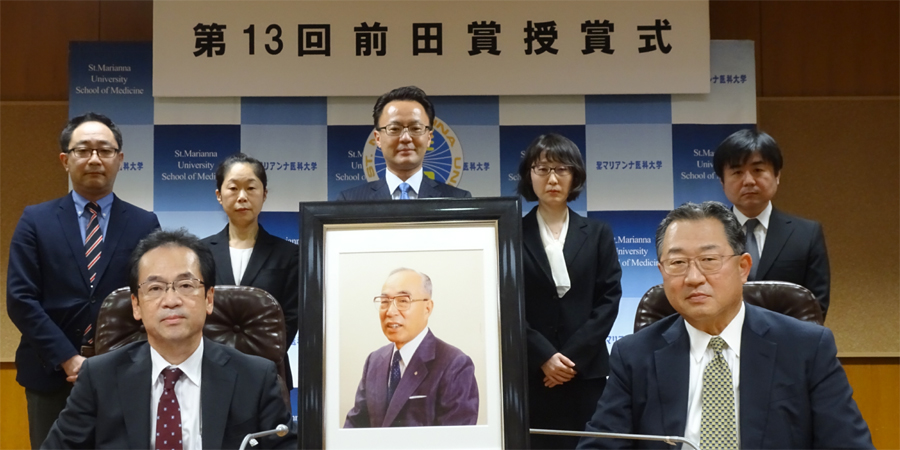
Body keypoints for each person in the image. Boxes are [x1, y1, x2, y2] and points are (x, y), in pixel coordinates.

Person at [577, 201, 872, 450]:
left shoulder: (807, 348)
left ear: (743, 268)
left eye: (709, 259)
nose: (693, 277)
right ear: (662, 272)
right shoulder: (633, 356)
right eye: (677, 263)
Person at [42, 229, 295, 449]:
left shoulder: (256, 378)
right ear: (136, 306)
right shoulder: (99, 378)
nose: (171, 300)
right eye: (155, 288)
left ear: (209, 299)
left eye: (185, 285)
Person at [6, 112, 160, 448]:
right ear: (65, 160)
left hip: (124, 372)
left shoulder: (144, 224)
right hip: (50, 374)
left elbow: (153, 295)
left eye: (104, 150)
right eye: (83, 150)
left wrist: (112, 360)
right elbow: (20, 299)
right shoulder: (35, 220)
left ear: (119, 159)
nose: (94, 159)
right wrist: (67, 357)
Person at [516, 133, 622, 449]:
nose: (552, 179)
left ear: (575, 175)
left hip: (586, 372)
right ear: (529, 175)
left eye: (562, 169)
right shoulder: (510, 233)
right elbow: (506, 303)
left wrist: (570, 359)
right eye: (542, 169)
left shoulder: (598, 233)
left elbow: (608, 299)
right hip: (531, 373)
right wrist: (544, 356)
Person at [201, 153, 298, 389]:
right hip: (210, 372)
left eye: (251, 188)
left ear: (264, 194)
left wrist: (258, 360)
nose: (242, 196)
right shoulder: (200, 253)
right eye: (233, 188)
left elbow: (289, 319)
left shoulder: (289, 254)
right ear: (219, 195)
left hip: (269, 373)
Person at [714, 129, 831, 318]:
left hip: (788, 336)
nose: (748, 181)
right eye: (737, 172)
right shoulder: (708, 235)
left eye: (758, 170)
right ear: (722, 182)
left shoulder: (807, 234)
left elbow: (815, 306)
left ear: (777, 176)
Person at [344, 268, 478, 427]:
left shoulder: (455, 365)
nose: (390, 312)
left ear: (427, 308)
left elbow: (456, 438)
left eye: (403, 301)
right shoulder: (374, 361)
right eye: (385, 301)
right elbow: (354, 427)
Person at [336, 86, 471, 200]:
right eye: (394, 129)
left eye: (415, 129)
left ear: (429, 137)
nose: (406, 138)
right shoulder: (350, 201)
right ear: (378, 138)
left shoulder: (458, 200)